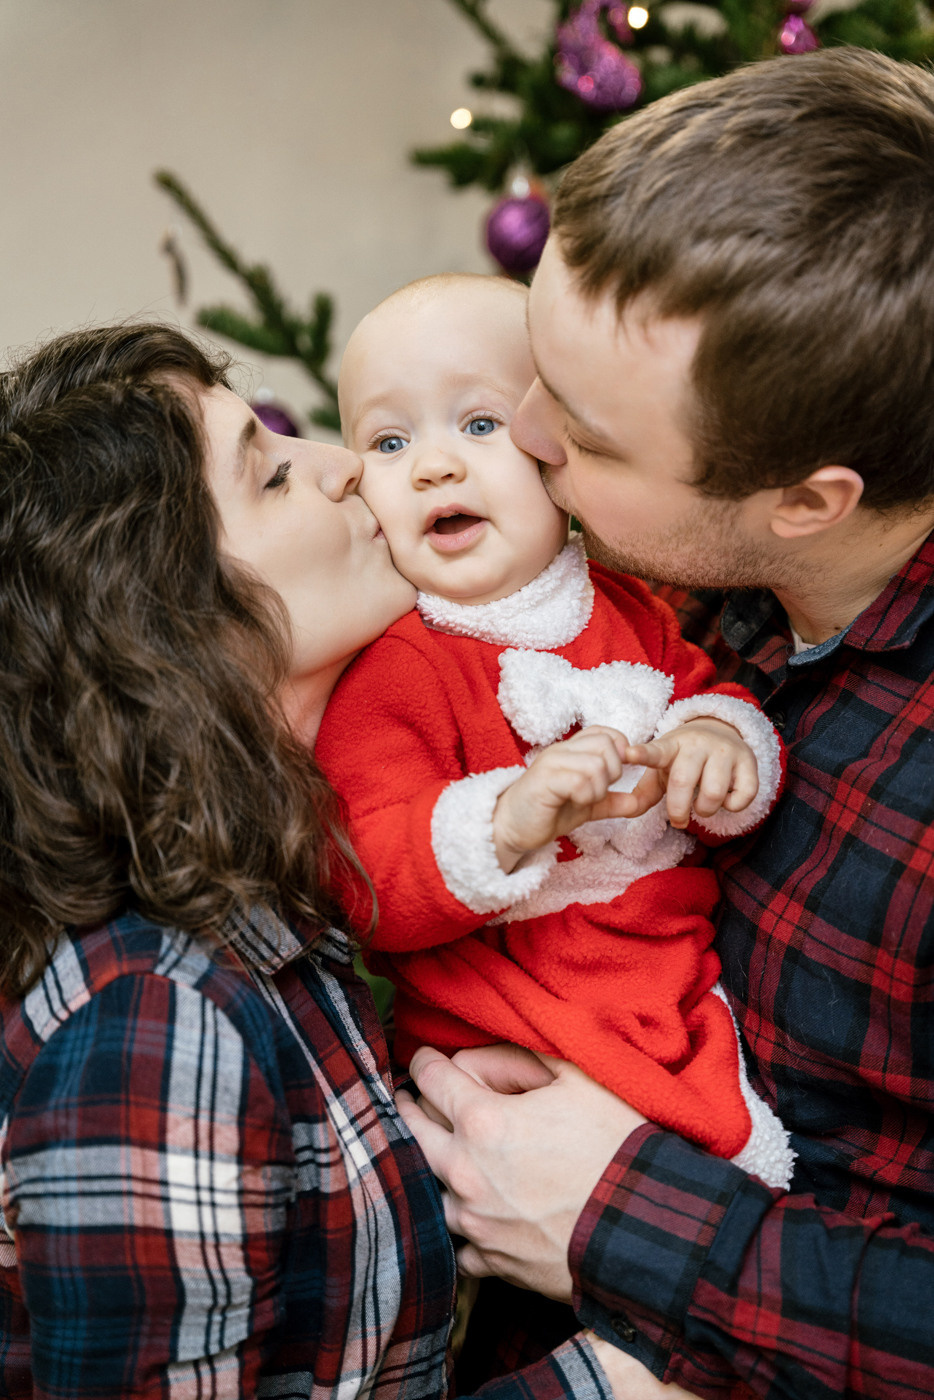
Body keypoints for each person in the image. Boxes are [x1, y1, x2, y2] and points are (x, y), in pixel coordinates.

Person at [0, 321, 674, 1399]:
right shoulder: (156, 1016)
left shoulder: (284, 907)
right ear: (165, 625)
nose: (344, 464)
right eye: (269, 473)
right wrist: (610, 1384)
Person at [398, 46, 934, 1400]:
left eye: (584, 430)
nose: (521, 435)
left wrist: (607, 1208)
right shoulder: (690, 597)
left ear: (805, 500)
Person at [316, 273, 791, 1188]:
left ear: (557, 450)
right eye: (388, 439)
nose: (434, 466)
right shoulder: (394, 664)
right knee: (691, 1153)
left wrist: (722, 745)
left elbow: (702, 696)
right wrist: (505, 819)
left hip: (660, 957)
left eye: (481, 424)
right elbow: (360, 874)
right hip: (513, 1004)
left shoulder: (632, 604)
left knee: (737, 1150)